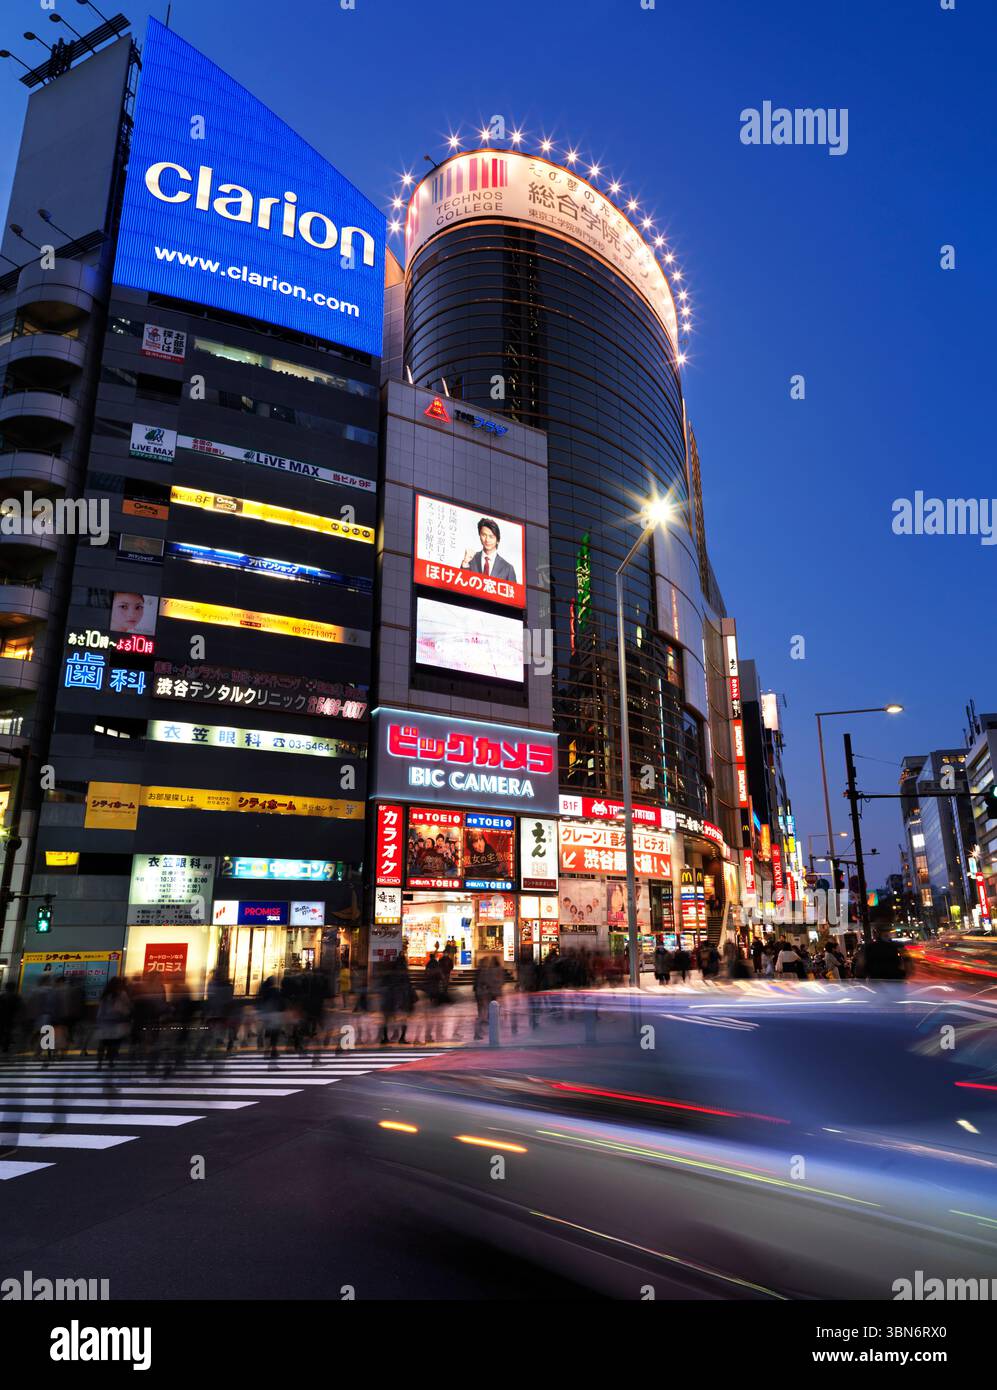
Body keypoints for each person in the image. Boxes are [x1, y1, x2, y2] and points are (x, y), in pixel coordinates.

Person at [461, 517, 517, 583]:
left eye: (491, 536)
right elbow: (461, 583)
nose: (487, 540)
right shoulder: (470, 559)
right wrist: (465, 563)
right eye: (484, 535)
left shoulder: (508, 568)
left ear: (498, 540)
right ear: (480, 536)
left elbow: (513, 592)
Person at [474, 955, 505, 1039]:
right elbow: (485, 982)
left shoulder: (482, 970)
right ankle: (477, 1032)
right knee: (482, 1013)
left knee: (483, 1012)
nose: (488, 963)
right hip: (483, 994)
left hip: (482, 993)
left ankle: (479, 1031)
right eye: (486, 961)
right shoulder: (484, 971)